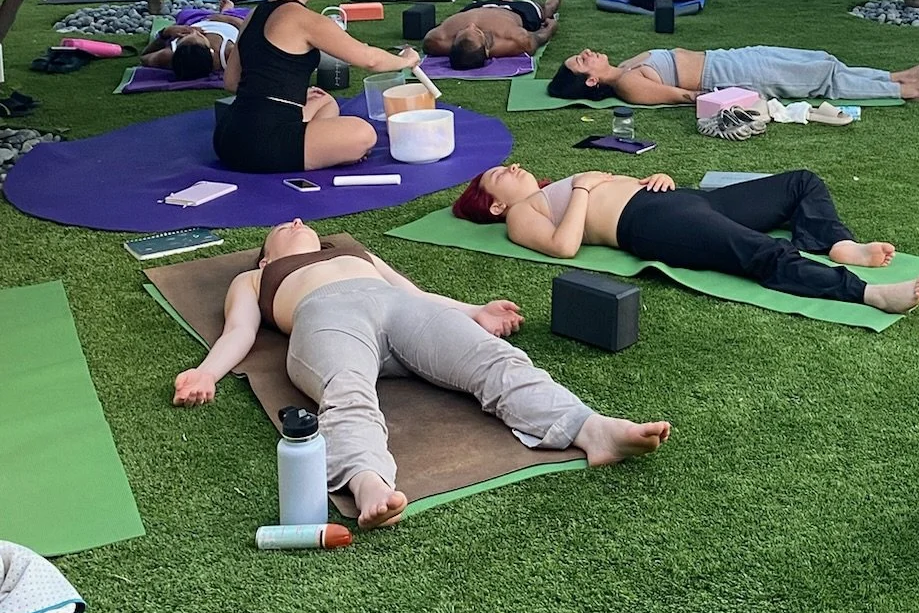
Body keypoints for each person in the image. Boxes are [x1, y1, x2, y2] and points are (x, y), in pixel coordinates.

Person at [171, 221, 668, 528]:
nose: (299, 221)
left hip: (400, 309)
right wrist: (206, 372)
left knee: (494, 359)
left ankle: (590, 429)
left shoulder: (355, 253)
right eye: (285, 225)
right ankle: (367, 482)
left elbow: (414, 292)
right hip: (325, 315)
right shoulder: (254, 277)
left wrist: (474, 311)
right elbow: (240, 330)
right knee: (347, 391)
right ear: (266, 255)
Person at [453, 163, 919, 315]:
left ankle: (836, 243)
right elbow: (565, 247)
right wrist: (582, 186)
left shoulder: (545, 190)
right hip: (649, 224)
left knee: (800, 183)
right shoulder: (520, 214)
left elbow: (615, 185)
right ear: (494, 205)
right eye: (500, 174)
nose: (513, 167)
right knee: (761, 251)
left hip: (675, 198)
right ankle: (867, 294)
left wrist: (652, 176)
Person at [213, 0, 419, 173]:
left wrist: (290, 93)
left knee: (325, 102)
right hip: (261, 141)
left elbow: (231, 81)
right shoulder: (304, 19)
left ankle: (318, 148)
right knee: (363, 134)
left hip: (228, 134)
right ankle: (322, 151)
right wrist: (406, 60)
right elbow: (369, 59)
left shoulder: (255, 13)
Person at [548, 42, 919, 106]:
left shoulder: (626, 65)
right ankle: (906, 92)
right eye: (581, 62)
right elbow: (686, 97)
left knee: (821, 60)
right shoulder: (628, 84)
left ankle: (893, 76)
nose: (586, 54)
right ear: (591, 82)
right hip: (733, 74)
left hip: (732, 57)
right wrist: (741, 99)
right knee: (821, 80)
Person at [423, 0, 570, 70]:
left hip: (476, 7)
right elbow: (535, 40)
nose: (471, 25)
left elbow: (428, 42)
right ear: (487, 49)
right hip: (515, 12)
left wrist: (462, 49)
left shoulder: (437, 40)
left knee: (494, 5)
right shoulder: (514, 40)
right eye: (477, 32)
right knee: (546, 10)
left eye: (461, 32)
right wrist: (551, 28)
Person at [142, 4, 251, 81]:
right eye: (200, 36)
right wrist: (227, 18)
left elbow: (144, 56)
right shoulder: (229, 53)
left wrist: (165, 32)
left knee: (184, 13)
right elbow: (250, 29)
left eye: (186, 37)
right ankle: (228, 9)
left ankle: (226, 9)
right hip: (234, 21)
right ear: (211, 51)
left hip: (195, 20)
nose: (195, 32)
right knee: (248, 14)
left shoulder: (167, 56)